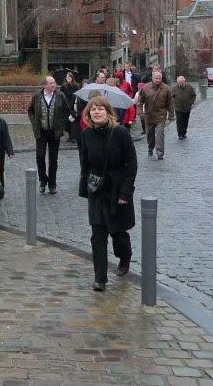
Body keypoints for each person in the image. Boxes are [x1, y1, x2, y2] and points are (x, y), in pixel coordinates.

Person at [77, 96, 137, 292]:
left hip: (117, 190)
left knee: (118, 233)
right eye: (93, 109)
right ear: (88, 114)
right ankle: (100, 278)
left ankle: (125, 256)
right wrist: (84, 187)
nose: (96, 112)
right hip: (97, 190)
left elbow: (131, 164)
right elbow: (85, 163)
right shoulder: (86, 135)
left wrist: (125, 192)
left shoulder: (120, 133)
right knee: (98, 234)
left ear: (108, 112)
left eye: (100, 108)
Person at [27, 75, 71, 195]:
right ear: (44, 85)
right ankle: (43, 180)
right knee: (40, 156)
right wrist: (34, 123)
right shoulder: (37, 96)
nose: (54, 85)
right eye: (51, 83)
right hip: (41, 131)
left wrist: (61, 125)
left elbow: (67, 111)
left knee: (53, 159)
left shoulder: (60, 96)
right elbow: (30, 111)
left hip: (54, 132)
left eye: (54, 82)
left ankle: (52, 184)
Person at [138, 69, 175, 160]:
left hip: (161, 115)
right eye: (156, 78)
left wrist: (171, 115)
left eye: (159, 78)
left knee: (160, 134)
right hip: (149, 115)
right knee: (150, 135)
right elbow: (140, 101)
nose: (158, 80)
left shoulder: (166, 88)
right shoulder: (146, 87)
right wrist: (140, 112)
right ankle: (150, 147)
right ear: (152, 78)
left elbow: (170, 103)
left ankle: (160, 153)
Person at [60, 72, 80, 145]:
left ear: (72, 77)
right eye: (67, 77)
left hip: (73, 105)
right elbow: (61, 95)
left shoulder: (76, 86)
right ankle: (70, 135)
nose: (68, 78)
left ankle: (73, 137)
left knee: (73, 121)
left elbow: (77, 95)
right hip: (65, 105)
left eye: (70, 77)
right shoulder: (63, 86)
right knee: (66, 122)